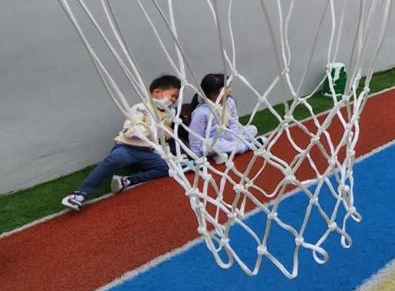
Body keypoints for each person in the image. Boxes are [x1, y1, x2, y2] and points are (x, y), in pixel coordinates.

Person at [61, 74, 182, 211]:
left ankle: (126, 180)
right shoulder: (140, 108)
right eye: (172, 96)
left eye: (176, 98)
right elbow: (130, 131)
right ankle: (80, 193)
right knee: (116, 158)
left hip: (147, 151)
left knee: (166, 168)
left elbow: (162, 137)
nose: (174, 100)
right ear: (157, 92)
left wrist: (167, 135)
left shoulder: (168, 114)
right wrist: (156, 129)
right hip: (128, 148)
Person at [185, 73, 261, 163]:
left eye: (230, 87)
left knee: (252, 129)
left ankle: (223, 153)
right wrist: (197, 156)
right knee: (214, 144)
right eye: (226, 88)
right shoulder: (201, 112)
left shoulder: (230, 102)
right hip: (212, 142)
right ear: (213, 94)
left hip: (229, 136)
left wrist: (235, 137)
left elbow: (234, 122)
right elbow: (195, 136)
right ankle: (246, 146)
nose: (230, 90)